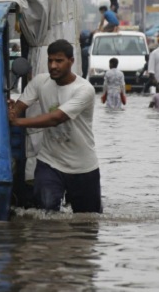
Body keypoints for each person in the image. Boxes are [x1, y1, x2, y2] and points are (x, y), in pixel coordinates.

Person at [8, 39, 101, 213]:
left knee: (88, 221)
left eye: (59, 61)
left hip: (82, 166)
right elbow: (20, 107)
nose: (53, 66)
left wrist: (18, 122)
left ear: (71, 61)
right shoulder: (40, 82)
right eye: (50, 61)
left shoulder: (84, 90)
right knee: (45, 215)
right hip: (49, 162)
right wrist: (11, 110)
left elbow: (56, 118)